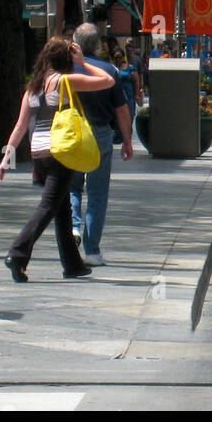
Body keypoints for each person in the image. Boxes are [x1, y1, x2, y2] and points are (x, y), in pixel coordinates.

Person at [0, 36, 114, 281]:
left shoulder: (33, 88)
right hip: (60, 149)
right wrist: (83, 62)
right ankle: (17, 254)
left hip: (39, 152)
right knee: (49, 205)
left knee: (62, 208)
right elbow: (108, 80)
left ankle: (72, 264)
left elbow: (19, 127)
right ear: (65, 58)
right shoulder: (64, 82)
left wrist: (6, 158)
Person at [67, 23, 132, 266]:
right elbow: (122, 110)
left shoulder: (63, 69)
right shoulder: (108, 70)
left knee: (72, 186)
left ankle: (73, 226)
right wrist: (126, 139)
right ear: (97, 45)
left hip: (71, 132)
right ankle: (92, 251)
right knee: (97, 192)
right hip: (100, 133)